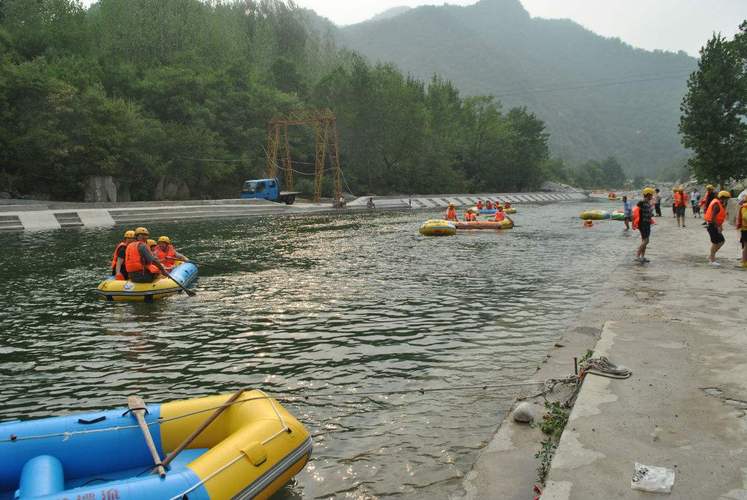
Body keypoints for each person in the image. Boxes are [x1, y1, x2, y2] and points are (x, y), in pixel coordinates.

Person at [704, 191, 731, 266]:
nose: (727, 201)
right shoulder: (716, 205)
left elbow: (718, 217)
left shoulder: (719, 203)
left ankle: (711, 256)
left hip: (714, 225)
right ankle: (712, 260)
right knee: (715, 243)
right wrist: (718, 226)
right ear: (722, 198)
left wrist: (720, 226)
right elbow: (713, 218)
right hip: (712, 225)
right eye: (726, 199)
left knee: (721, 241)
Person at [633, 188, 656, 263]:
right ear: (647, 195)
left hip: (647, 223)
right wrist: (634, 221)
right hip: (643, 223)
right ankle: (637, 256)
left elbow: (648, 213)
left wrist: (651, 213)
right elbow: (636, 210)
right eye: (651, 195)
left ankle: (642, 257)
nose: (652, 196)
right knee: (646, 240)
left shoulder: (648, 203)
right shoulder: (642, 202)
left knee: (644, 240)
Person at [737, 197, 747, 268]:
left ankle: (744, 260)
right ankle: (744, 262)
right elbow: (745, 217)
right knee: (746, 246)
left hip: (744, 229)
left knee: (745, 246)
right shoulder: (745, 207)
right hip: (746, 229)